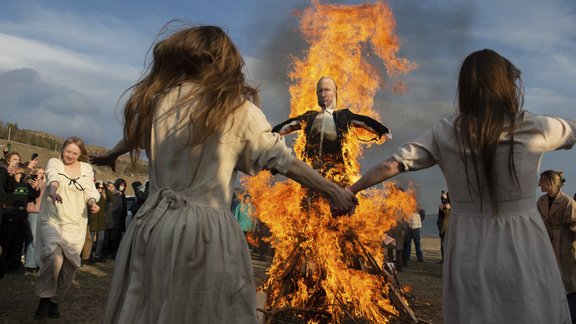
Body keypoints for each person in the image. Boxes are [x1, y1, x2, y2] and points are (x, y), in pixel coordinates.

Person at [90, 24, 357, 323]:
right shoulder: (236, 109)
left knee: (148, 309)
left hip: (150, 224)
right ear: (224, 60)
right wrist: (333, 190)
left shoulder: (157, 103)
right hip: (203, 231)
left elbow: (136, 135)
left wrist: (112, 153)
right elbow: (285, 161)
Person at [348, 49, 576, 323]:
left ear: (466, 88)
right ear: (506, 84)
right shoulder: (534, 126)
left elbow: (392, 165)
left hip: (469, 242)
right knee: (530, 309)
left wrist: (350, 190)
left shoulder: (446, 132)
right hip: (524, 240)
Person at [272, 76, 391, 187]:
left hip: (338, 175)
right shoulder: (309, 117)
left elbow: (364, 121)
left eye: (327, 90)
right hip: (311, 175)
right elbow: (287, 125)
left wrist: (382, 131)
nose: (323, 94)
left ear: (334, 93)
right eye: (320, 91)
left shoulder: (343, 115)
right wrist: (270, 135)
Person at [34, 137, 100, 319]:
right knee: (54, 258)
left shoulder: (86, 169)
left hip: (76, 223)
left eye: (75, 153)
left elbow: (89, 189)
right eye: (68, 151)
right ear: (62, 149)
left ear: (80, 155)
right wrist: (53, 192)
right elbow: (53, 178)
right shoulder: (54, 162)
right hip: (53, 219)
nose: (70, 155)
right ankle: (44, 299)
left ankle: (55, 300)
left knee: (69, 267)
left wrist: (93, 202)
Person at [537, 170, 576, 321]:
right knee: (551, 280)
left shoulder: (567, 202)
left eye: (542, 180)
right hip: (547, 243)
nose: (539, 183)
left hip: (565, 244)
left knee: (570, 281)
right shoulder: (540, 201)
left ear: (551, 182)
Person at [24, 167, 46, 273]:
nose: (41, 175)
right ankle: (30, 263)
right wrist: (36, 185)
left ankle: (37, 262)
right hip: (33, 212)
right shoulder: (31, 182)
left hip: (42, 213)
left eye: (43, 173)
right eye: (39, 172)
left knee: (40, 240)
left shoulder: (45, 183)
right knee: (32, 238)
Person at [436, 190, 451, 263]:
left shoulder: (451, 206)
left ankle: (447, 259)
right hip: (443, 228)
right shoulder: (445, 206)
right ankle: (443, 259)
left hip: (449, 228)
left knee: (447, 245)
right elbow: (442, 217)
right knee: (442, 245)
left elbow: (448, 207)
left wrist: (445, 199)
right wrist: (441, 209)